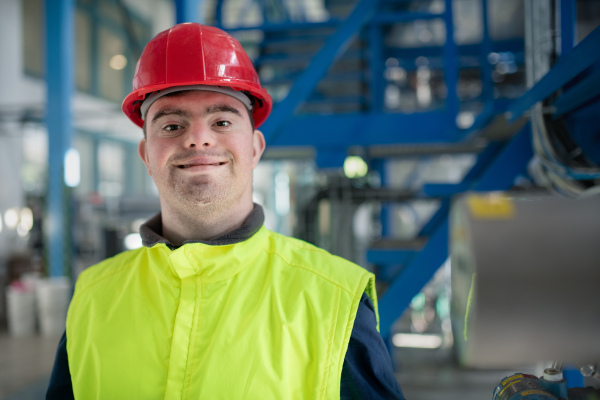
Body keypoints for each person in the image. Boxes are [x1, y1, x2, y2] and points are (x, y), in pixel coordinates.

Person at [47, 22, 405, 400]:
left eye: (221, 121)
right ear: (146, 156)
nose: (198, 137)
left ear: (254, 148)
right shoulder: (93, 297)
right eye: (171, 125)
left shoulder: (334, 300)